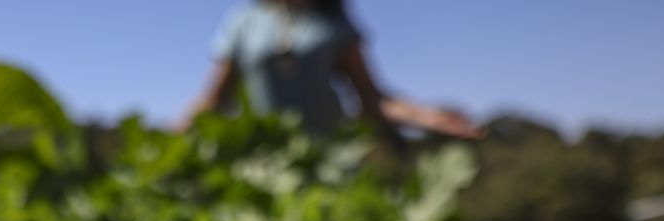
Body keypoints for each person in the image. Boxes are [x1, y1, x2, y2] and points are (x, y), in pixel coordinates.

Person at [182, 0, 481, 141]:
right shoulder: (244, 21)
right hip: (262, 162)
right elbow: (214, 100)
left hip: (326, 157)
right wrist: (168, 140)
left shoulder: (335, 21)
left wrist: (426, 116)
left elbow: (372, 98)